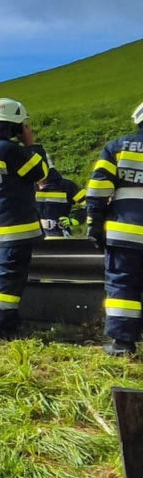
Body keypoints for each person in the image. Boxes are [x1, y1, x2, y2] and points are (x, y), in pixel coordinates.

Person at [0, 98, 49, 339]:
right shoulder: (11, 150)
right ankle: (2, 330)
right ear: (15, 125)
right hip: (17, 227)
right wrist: (32, 145)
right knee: (9, 282)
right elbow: (41, 173)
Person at [85, 101, 143, 357]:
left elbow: (98, 189)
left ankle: (122, 345)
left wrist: (94, 224)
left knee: (123, 285)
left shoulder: (117, 148)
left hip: (125, 231)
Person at [35, 162, 87, 238]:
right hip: (34, 237)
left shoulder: (66, 186)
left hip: (59, 235)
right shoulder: (28, 187)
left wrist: (77, 218)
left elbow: (92, 203)